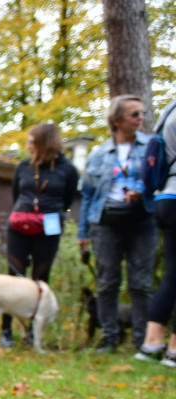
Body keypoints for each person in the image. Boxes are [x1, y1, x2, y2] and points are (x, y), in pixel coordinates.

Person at [78, 95, 157, 353]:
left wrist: (141, 192)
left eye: (142, 113)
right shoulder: (99, 153)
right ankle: (109, 338)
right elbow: (88, 196)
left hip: (142, 222)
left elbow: (159, 181)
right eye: (134, 114)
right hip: (106, 223)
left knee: (141, 283)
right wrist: (84, 233)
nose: (141, 118)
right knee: (107, 283)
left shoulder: (151, 148)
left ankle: (142, 341)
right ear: (117, 119)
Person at [0, 123, 79, 348]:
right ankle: (6, 330)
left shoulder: (67, 170)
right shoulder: (23, 166)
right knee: (13, 277)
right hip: (20, 225)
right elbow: (16, 194)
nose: (27, 146)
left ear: (44, 143)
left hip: (50, 226)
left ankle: (34, 332)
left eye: (31, 141)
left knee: (40, 280)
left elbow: (67, 201)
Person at [136, 98, 176, 366]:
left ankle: (152, 343)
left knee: (173, 273)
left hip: (165, 198)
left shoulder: (171, 108)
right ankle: (174, 350)